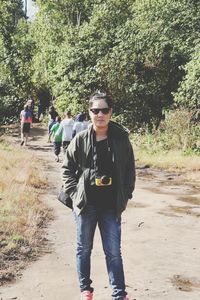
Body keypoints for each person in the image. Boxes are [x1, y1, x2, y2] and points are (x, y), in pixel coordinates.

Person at [62, 92, 135, 300]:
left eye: (104, 110)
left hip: (111, 205)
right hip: (86, 205)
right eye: (95, 110)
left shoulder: (121, 139)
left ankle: (119, 294)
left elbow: (130, 168)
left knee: (113, 252)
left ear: (110, 113)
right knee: (83, 249)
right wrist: (75, 193)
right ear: (89, 112)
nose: (100, 114)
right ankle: (86, 290)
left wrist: (126, 193)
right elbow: (66, 169)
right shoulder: (81, 139)